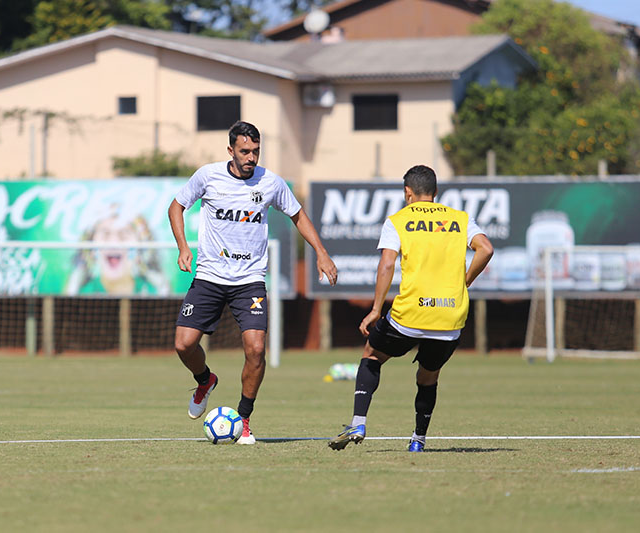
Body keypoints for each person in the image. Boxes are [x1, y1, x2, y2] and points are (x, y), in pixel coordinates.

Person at [168, 120, 337, 445]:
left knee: (256, 350)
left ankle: (243, 420)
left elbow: (298, 216)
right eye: (245, 151)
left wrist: (321, 252)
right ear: (230, 150)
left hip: (249, 281)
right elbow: (176, 207)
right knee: (183, 344)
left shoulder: (271, 182)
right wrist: (183, 246)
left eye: (256, 151)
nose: (251, 157)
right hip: (209, 276)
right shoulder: (208, 176)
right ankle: (205, 381)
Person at [329, 165, 493, 452]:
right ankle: (418, 439)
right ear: (436, 192)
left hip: (410, 314)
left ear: (408, 192)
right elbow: (486, 249)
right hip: (450, 315)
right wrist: (464, 282)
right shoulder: (460, 219)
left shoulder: (398, 220)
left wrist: (376, 309)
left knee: (371, 355)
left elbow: (387, 265)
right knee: (428, 376)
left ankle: (358, 421)